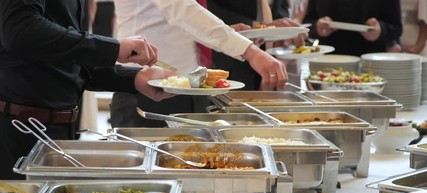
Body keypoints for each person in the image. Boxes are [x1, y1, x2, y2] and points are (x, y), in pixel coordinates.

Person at [0, 0, 176, 179]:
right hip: (17, 129)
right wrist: (112, 48)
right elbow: (20, 30)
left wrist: (135, 78)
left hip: (57, 130)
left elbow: (73, 62)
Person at [110, 0, 302, 128]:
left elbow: (175, 21)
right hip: (145, 90)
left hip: (187, 88)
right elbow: (182, 10)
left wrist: (230, 33)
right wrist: (249, 50)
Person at [207, 0, 306, 91]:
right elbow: (205, 8)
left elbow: (280, 4)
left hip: (264, 53)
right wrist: (257, 26)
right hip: (226, 52)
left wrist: (280, 28)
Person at [303, 0, 402, 57]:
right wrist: (317, 27)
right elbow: (308, 23)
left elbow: (397, 28)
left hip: (371, 62)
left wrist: (381, 30)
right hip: (328, 61)